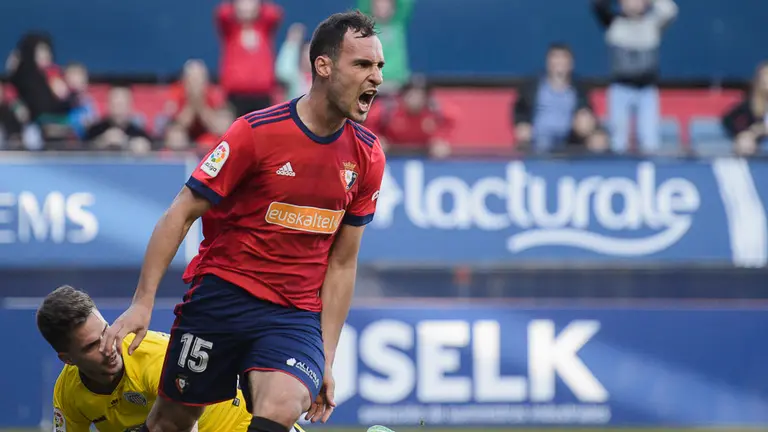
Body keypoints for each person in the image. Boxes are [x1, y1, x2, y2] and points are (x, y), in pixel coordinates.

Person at [101, 10, 386, 432]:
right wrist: (143, 302)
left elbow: (343, 263)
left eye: (379, 66)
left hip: (294, 314)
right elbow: (181, 211)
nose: (376, 78)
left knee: (283, 404)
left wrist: (326, 358)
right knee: (170, 423)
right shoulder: (255, 132)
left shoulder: (368, 155)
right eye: (362, 64)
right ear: (324, 67)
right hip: (222, 296)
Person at [36, 285, 309, 432]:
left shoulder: (154, 357)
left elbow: (182, 427)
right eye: (91, 347)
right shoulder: (68, 394)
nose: (108, 348)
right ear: (67, 359)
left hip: (241, 424)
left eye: (106, 332)